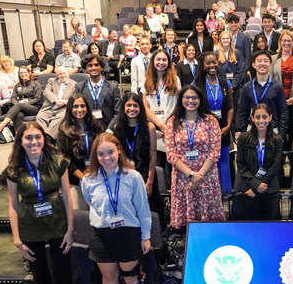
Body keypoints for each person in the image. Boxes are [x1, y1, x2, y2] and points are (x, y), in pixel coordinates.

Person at [4, 122, 77, 284]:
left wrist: (71, 229)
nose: (34, 142)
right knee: (41, 277)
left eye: (38, 137)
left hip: (58, 225)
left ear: (44, 138)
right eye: (28, 138)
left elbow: (66, 196)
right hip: (30, 227)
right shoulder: (14, 169)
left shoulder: (58, 162)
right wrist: (17, 240)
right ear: (20, 140)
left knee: (63, 274)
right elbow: (12, 206)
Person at [81, 132, 152, 284]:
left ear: (118, 151)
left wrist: (145, 236)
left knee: (131, 277)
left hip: (128, 232)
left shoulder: (133, 176)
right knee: (109, 276)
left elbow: (142, 209)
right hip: (101, 234)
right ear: (96, 156)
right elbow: (91, 204)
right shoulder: (88, 179)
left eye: (110, 152)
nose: (107, 157)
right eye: (101, 154)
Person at [165, 85, 225, 231]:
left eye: (194, 97)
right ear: (181, 100)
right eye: (187, 97)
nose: (190, 101)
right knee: (186, 226)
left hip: (207, 177)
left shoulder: (211, 121)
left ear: (200, 100)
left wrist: (199, 175)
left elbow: (215, 151)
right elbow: (171, 153)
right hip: (182, 178)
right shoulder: (173, 122)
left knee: (208, 225)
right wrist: (191, 174)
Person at [113, 92, 165, 229]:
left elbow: (153, 155)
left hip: (145, 173)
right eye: (128, 105)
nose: (132, 108)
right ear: (123, 107)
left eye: (135, 105)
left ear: (141, 108)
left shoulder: (149, 127)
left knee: (150, 211)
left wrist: (150, 181)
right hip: (126, 175)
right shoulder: (117, 127)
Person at [235, 103, 283, 220]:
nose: (261, 120)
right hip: (249, 189)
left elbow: (276, 166)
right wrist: (256, 186)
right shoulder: (243, 139)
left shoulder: (277, 139)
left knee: (270, 229)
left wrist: (261, 185)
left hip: (269, 188)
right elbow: (241, 165)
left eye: (264, 117)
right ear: (252, 119)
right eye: (258, 117)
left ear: (270, 118)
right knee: (251, 229)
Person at [197, 52, 234, 195]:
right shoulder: (197, 84)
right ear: (203, 65)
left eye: (214, 62)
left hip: (223, 129)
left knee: (223, 162)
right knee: (207, 162)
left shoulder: (225, 83)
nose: (212, 65)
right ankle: (208, 193)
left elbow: (230, 107)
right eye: (208, 63)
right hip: (204, 130)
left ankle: (225, 194)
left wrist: (228, 126)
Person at [238, 50, 289, 139]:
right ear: (254, 65)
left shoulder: (277, 86)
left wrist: (281, 135)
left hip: (273, 130)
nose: (262, 63)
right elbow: (243, 112)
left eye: (265, 61)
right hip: (252, 130)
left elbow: (283, 111)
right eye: (259, 61)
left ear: (270, 65)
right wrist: (243, 133)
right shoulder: (247, 87)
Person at [57, 93, 104, 186]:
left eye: (82, 106)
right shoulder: (64, 130)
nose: (79, 109)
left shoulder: (95, 126)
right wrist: (83, 178)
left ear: (87, 108)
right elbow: (66, 159)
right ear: (70, 109)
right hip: (75, 179)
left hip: (97, 175)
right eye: (75, 106)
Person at [75, 53, 121, 130]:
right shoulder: (79, 87)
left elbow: (118, 112)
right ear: (86, 68)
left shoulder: (113, 87)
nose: (93, 68)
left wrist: (110, 129)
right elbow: (76, 111)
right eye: (90, 65)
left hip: (108, 128)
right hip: (87, 128)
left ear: (102, 67)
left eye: (96, 65)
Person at [142, 49, 181, 138]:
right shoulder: (146, 81)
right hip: (153, 126)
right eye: (158, 59)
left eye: (164, 60)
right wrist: (161, 126)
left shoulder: (175, 80)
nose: (161, 62)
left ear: (168, 63)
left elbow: (179, 104)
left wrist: (168, 125)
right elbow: (146, 108)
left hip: (172, 124)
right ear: (153, 61)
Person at [35, 68, 77, 140]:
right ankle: (42, 135)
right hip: (50, 106)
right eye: (60, 74)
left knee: (61, 118)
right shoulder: (52, 80)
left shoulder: (74, 84)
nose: (62, 75)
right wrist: (56, 100)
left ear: (68, 73)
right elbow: (46, 92)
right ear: (57, 75)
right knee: (39, 117)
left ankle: (48, 137)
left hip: (64, 107)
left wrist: (64, 101)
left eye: (64, 73)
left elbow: (74, 98)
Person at [0, 66, 42, 133]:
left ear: (29, 73)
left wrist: (23, 104)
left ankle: (2, 124)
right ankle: (19, 134)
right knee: (18, 114)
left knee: (19, 106)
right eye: (21, 73)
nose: (23, 74)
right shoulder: (17, 85)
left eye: (25, 72)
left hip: (34, 107)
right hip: (20, 107)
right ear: (19, 75)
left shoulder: (35, 84)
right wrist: (17, 104)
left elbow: (37, 98)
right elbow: (13, 98)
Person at [271, 30, 293, 107]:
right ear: (280, 42)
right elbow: (270, 80)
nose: (286, 43)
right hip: (277, 99)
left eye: (289, 41)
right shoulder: (273, 59)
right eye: (284, 40)